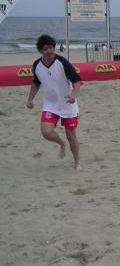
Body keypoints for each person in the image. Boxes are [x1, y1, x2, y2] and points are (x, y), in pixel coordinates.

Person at [26, 35, 82, 169]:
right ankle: (61, 144)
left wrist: (73, 95)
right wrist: (30, 99)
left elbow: (77, 81)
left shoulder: (62, 62)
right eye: (45, 49)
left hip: (67, 104)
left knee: (71, 135)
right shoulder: (37, 65)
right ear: (40, 51)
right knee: (46, 132)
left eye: (51, 48)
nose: (49, 51)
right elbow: (36, 83)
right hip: (50, 105)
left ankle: (77, 162)